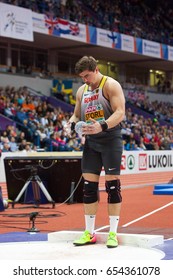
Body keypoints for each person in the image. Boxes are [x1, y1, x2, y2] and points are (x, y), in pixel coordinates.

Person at [66, 56, 125, 248]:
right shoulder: (82, 90)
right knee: (89, 188)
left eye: (87, 76)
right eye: (82, 77)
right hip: (91, 143)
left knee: (113, 188)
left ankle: (112, 233)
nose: (85, 80)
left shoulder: (111, 85)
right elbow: (76, 113)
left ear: (96, 69)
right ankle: (89, 233)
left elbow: (120, 112)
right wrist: (71, 123)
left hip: (110, 140)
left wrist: (103, 125)